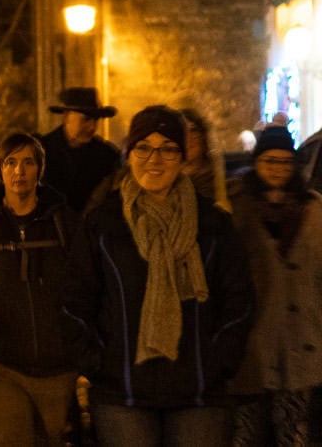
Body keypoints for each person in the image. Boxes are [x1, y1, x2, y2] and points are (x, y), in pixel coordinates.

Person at [62, 105, 254, 445]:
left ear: (182, 157)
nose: (155, 158)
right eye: (144, 147)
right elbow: (76, 299)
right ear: (129, 154)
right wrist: (97, 362)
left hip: (199, 393)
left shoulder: (212, 224)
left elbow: (238, 299)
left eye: (168, 149)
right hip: (123, 392)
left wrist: (219, 360)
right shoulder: (102, 223)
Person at [0, 132, 79, 445]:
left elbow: (85, 284)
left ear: (40, 169)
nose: (19, 172)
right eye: (11, 163)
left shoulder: (65, 223)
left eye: (27, 163)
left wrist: (74, 337)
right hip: (0, 364)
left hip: (58, 365)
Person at [227, 125, 322, 445]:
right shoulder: (236, 207)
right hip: (252, 342)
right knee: (247, 434)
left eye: (285, 162)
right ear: (258, 163)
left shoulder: (314, 208)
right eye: (271, 161)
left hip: (300, 342)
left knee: (294, 433)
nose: (278, 169)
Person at [40, 87, 121, 213]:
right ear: (66, 117)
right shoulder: (41, 151)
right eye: (86, 119)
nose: (92, 127)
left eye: (96, 120)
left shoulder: (106, 156)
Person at [180, 108, 229, 207]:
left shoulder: (221, 180)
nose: (188, 137)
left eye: (193, 130)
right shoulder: (168, 181)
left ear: (203, 136)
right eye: (182, 131)